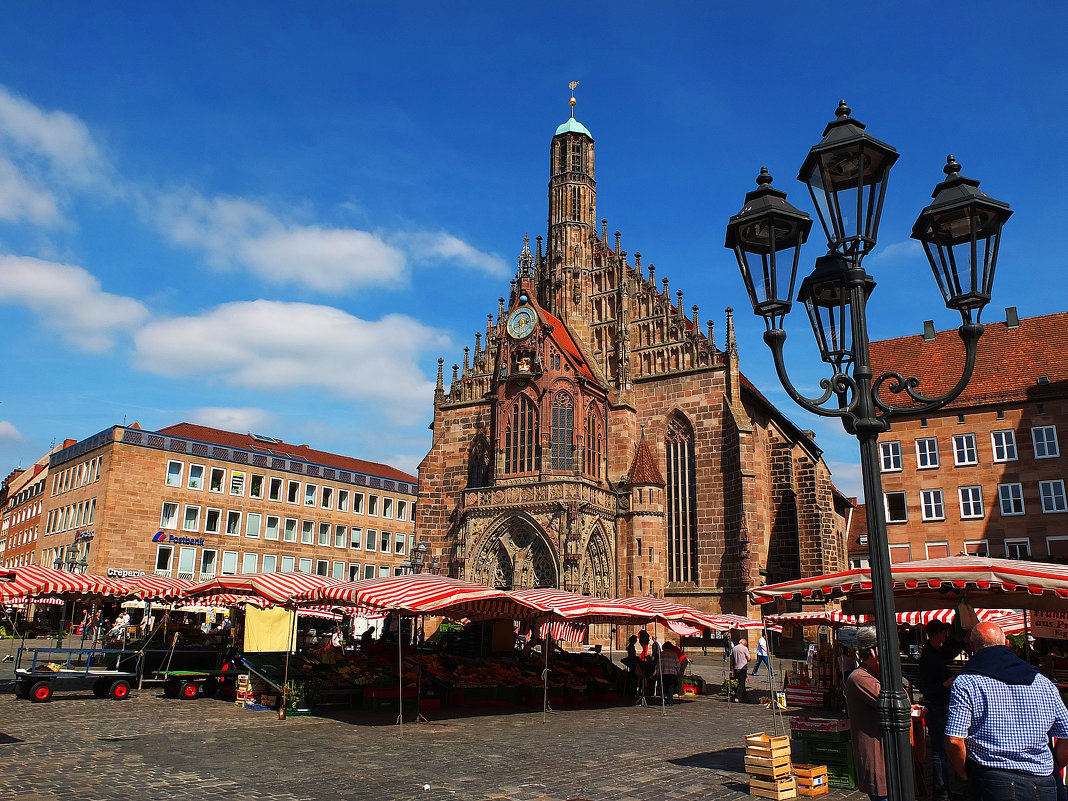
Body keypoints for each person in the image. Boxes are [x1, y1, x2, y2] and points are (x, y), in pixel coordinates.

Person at [946, 621, 1068, 801]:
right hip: (1043, 782)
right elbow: (1066, 736)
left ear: (972, 647)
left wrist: (965, 775)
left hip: (993, 779)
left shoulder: (967, 683)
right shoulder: (1043, 683)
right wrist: (1050, 766)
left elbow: (954, 740)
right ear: (1007, 644)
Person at [918, 620, 960, 801]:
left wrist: (963, 641)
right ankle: (941, 792)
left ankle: (944, 789)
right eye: (943, 632)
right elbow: (927, 687)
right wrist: (944, 684)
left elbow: (950, 652)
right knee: (939, 751)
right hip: (934, 706)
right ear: (937, 634)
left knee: (941, 750)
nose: (945, 635)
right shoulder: (928, 656)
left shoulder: (936, 651)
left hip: (939, 705)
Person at [845, 627, 887, 801]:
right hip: (877, 760)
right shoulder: (860, 678)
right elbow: (898, 703)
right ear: (873, 651)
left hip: (888, 758)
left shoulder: (875, 675)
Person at [731, 637, 751, 703]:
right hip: (743, 668)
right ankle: (737, 697)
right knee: (741, 684)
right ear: (744, 643)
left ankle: (745, 697)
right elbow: (749, 658)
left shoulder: (734, 648)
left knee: (741, 683)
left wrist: (732, 669)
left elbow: (732, 659)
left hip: (736, 667)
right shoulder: (745, 648)